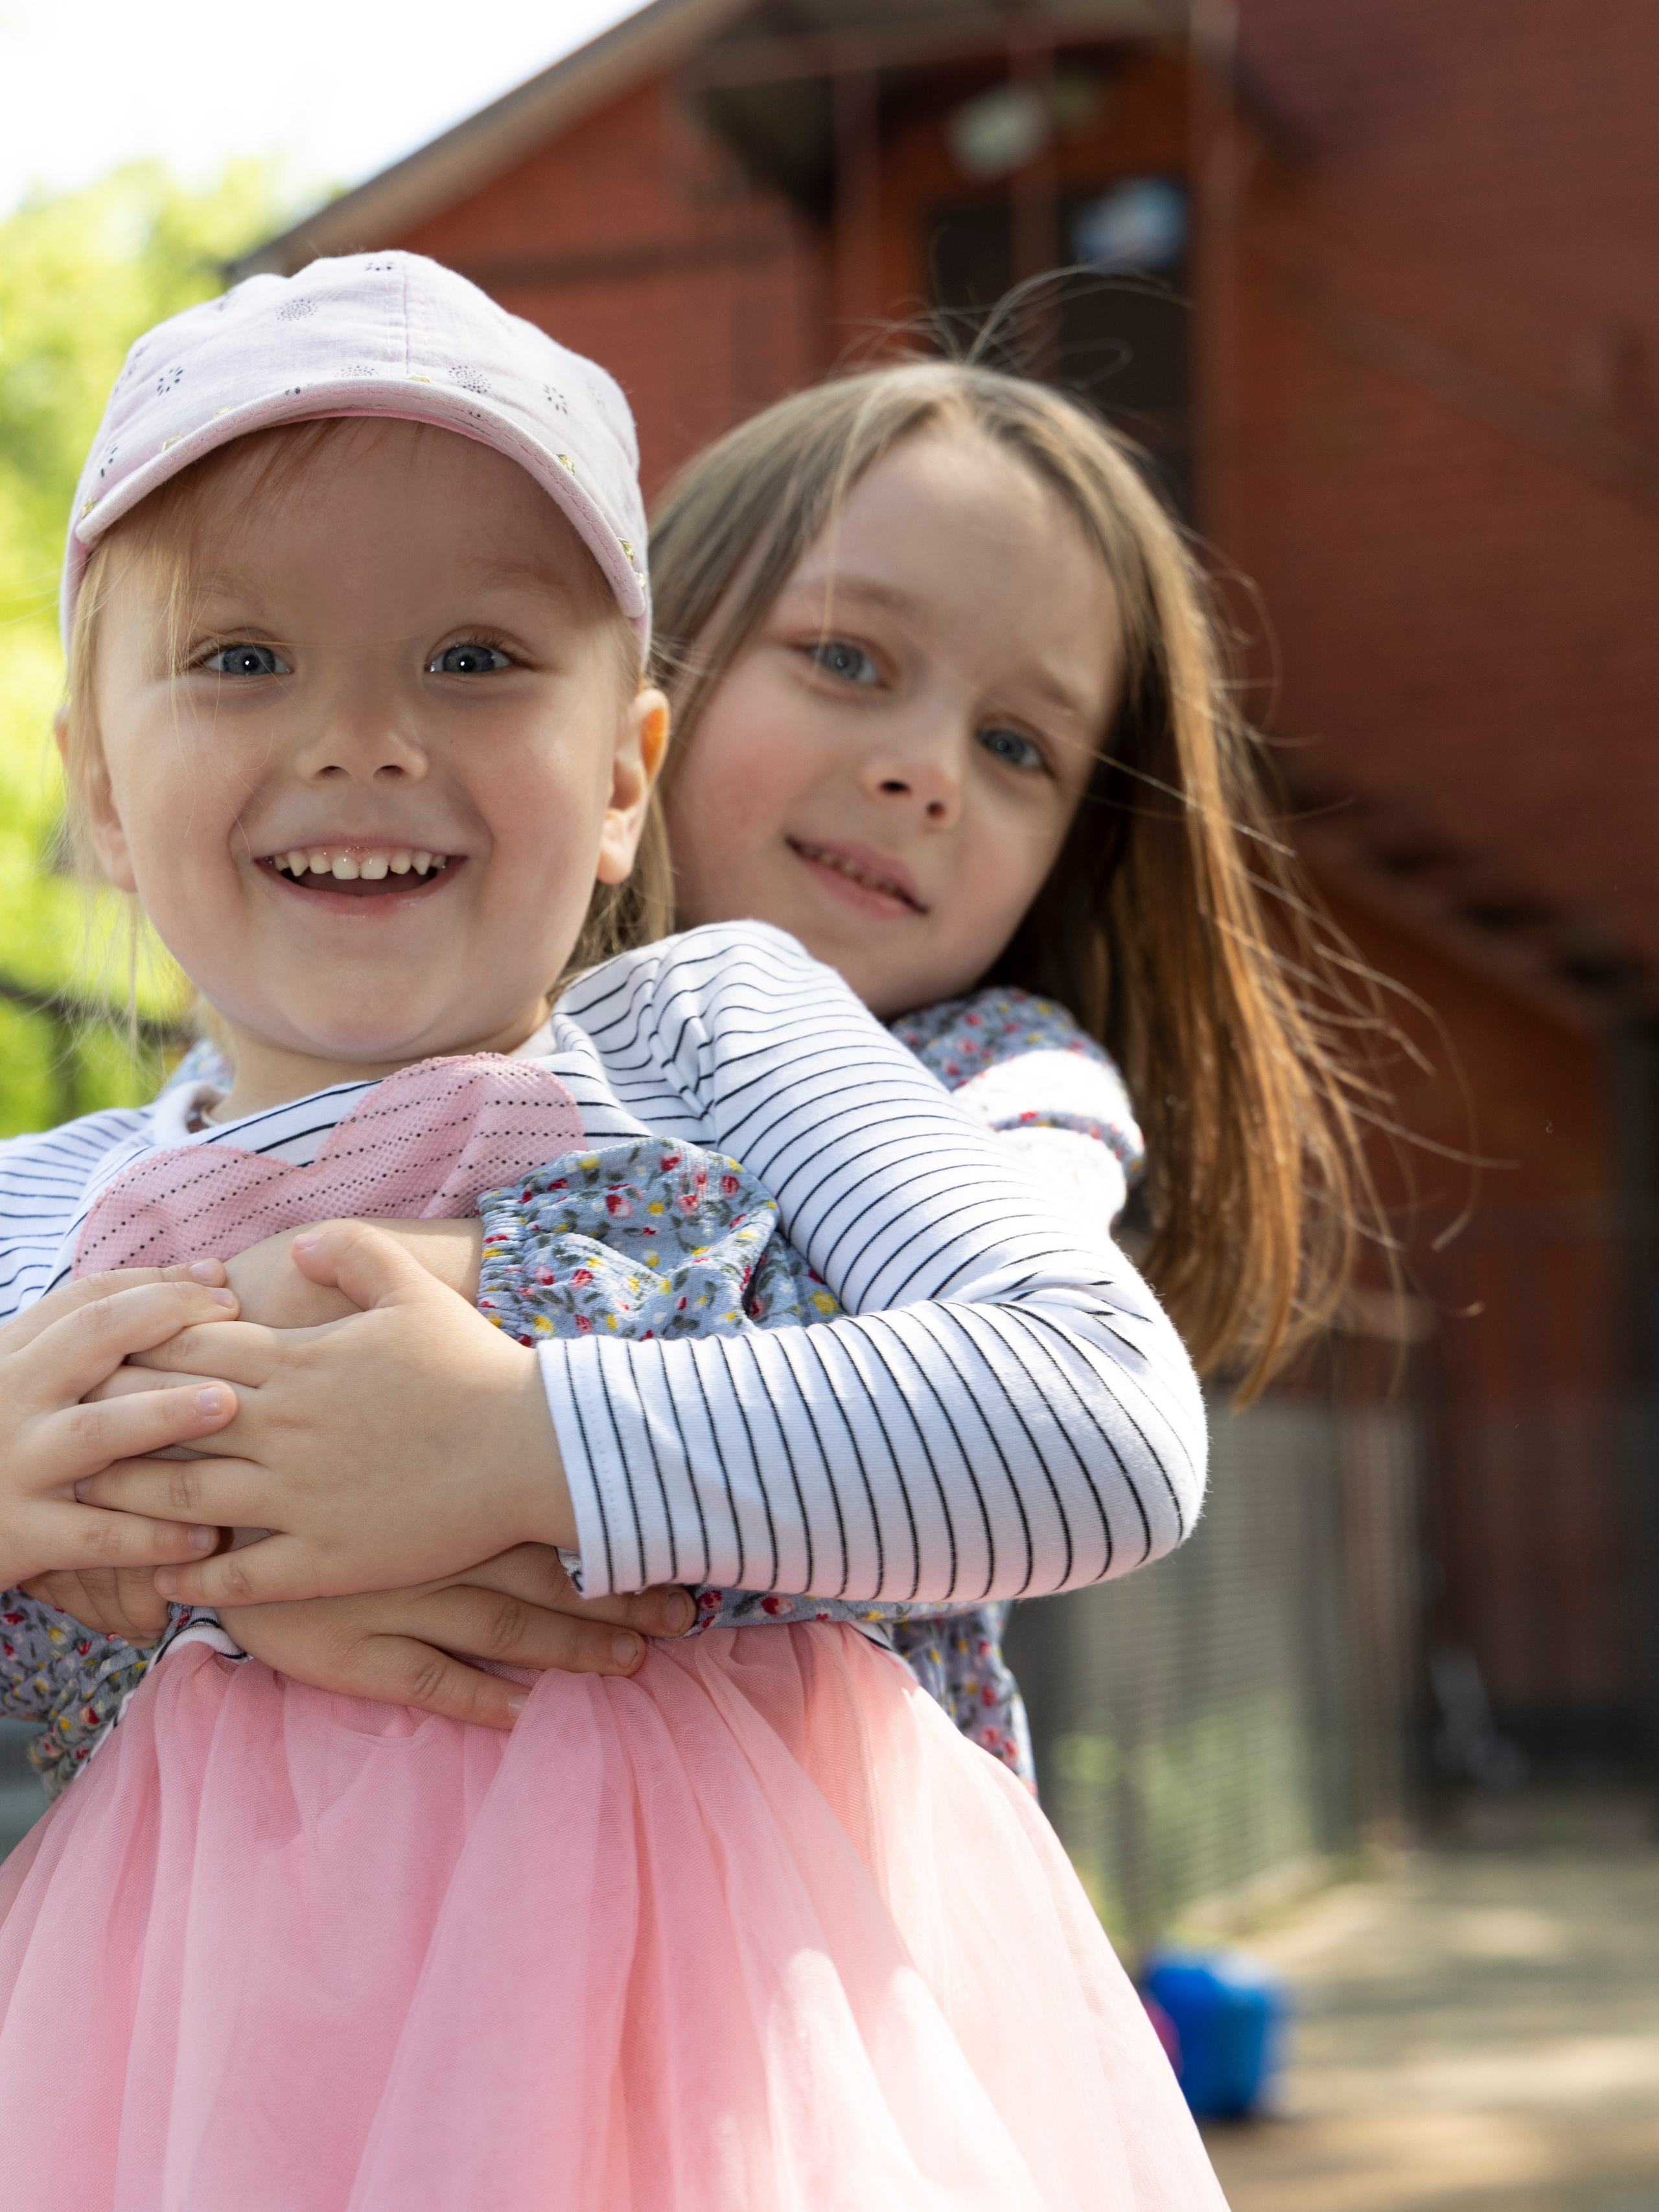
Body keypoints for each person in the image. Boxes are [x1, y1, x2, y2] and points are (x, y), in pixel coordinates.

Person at [0, 254, 1225, 2207]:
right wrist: (126, 1548)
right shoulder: (29, 1213)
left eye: (474, 657)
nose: (364, 737)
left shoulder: (732, 1032)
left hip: (751, 2073)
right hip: (202, 2095)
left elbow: (1103, 1415)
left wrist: (509, 1443)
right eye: (242, 657)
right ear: (101, 797)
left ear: (621, 780)